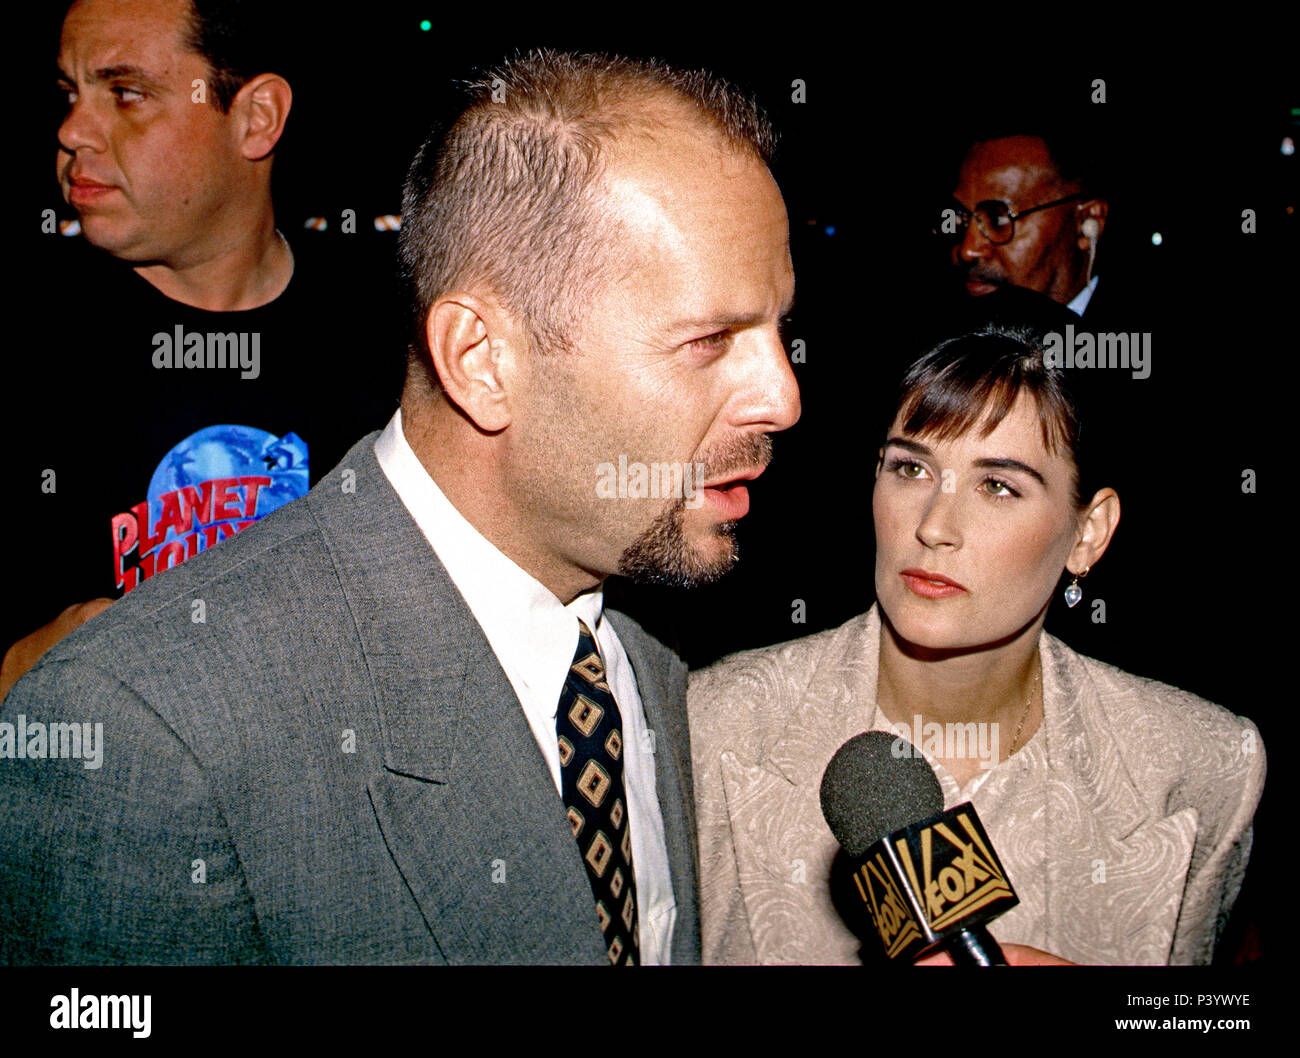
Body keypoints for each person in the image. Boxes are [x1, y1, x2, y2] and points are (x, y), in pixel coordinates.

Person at [0, 49, 800, 965]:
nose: (782, 397)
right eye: (710, 340)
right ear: (481, 360)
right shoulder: (150, 740)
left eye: (778, 328)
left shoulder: (649, 651)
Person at [688, 327, 1263, 965]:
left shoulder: (1205, 766)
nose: (934, 526)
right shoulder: (711, 727)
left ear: (1088, 533)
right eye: (911, 468)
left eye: (998, 486)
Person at [1, 0, 401, 697]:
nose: (72, 131)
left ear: (256, 120)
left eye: (125, 94)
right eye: (70, 94)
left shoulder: (397, 336)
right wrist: (20, 674)